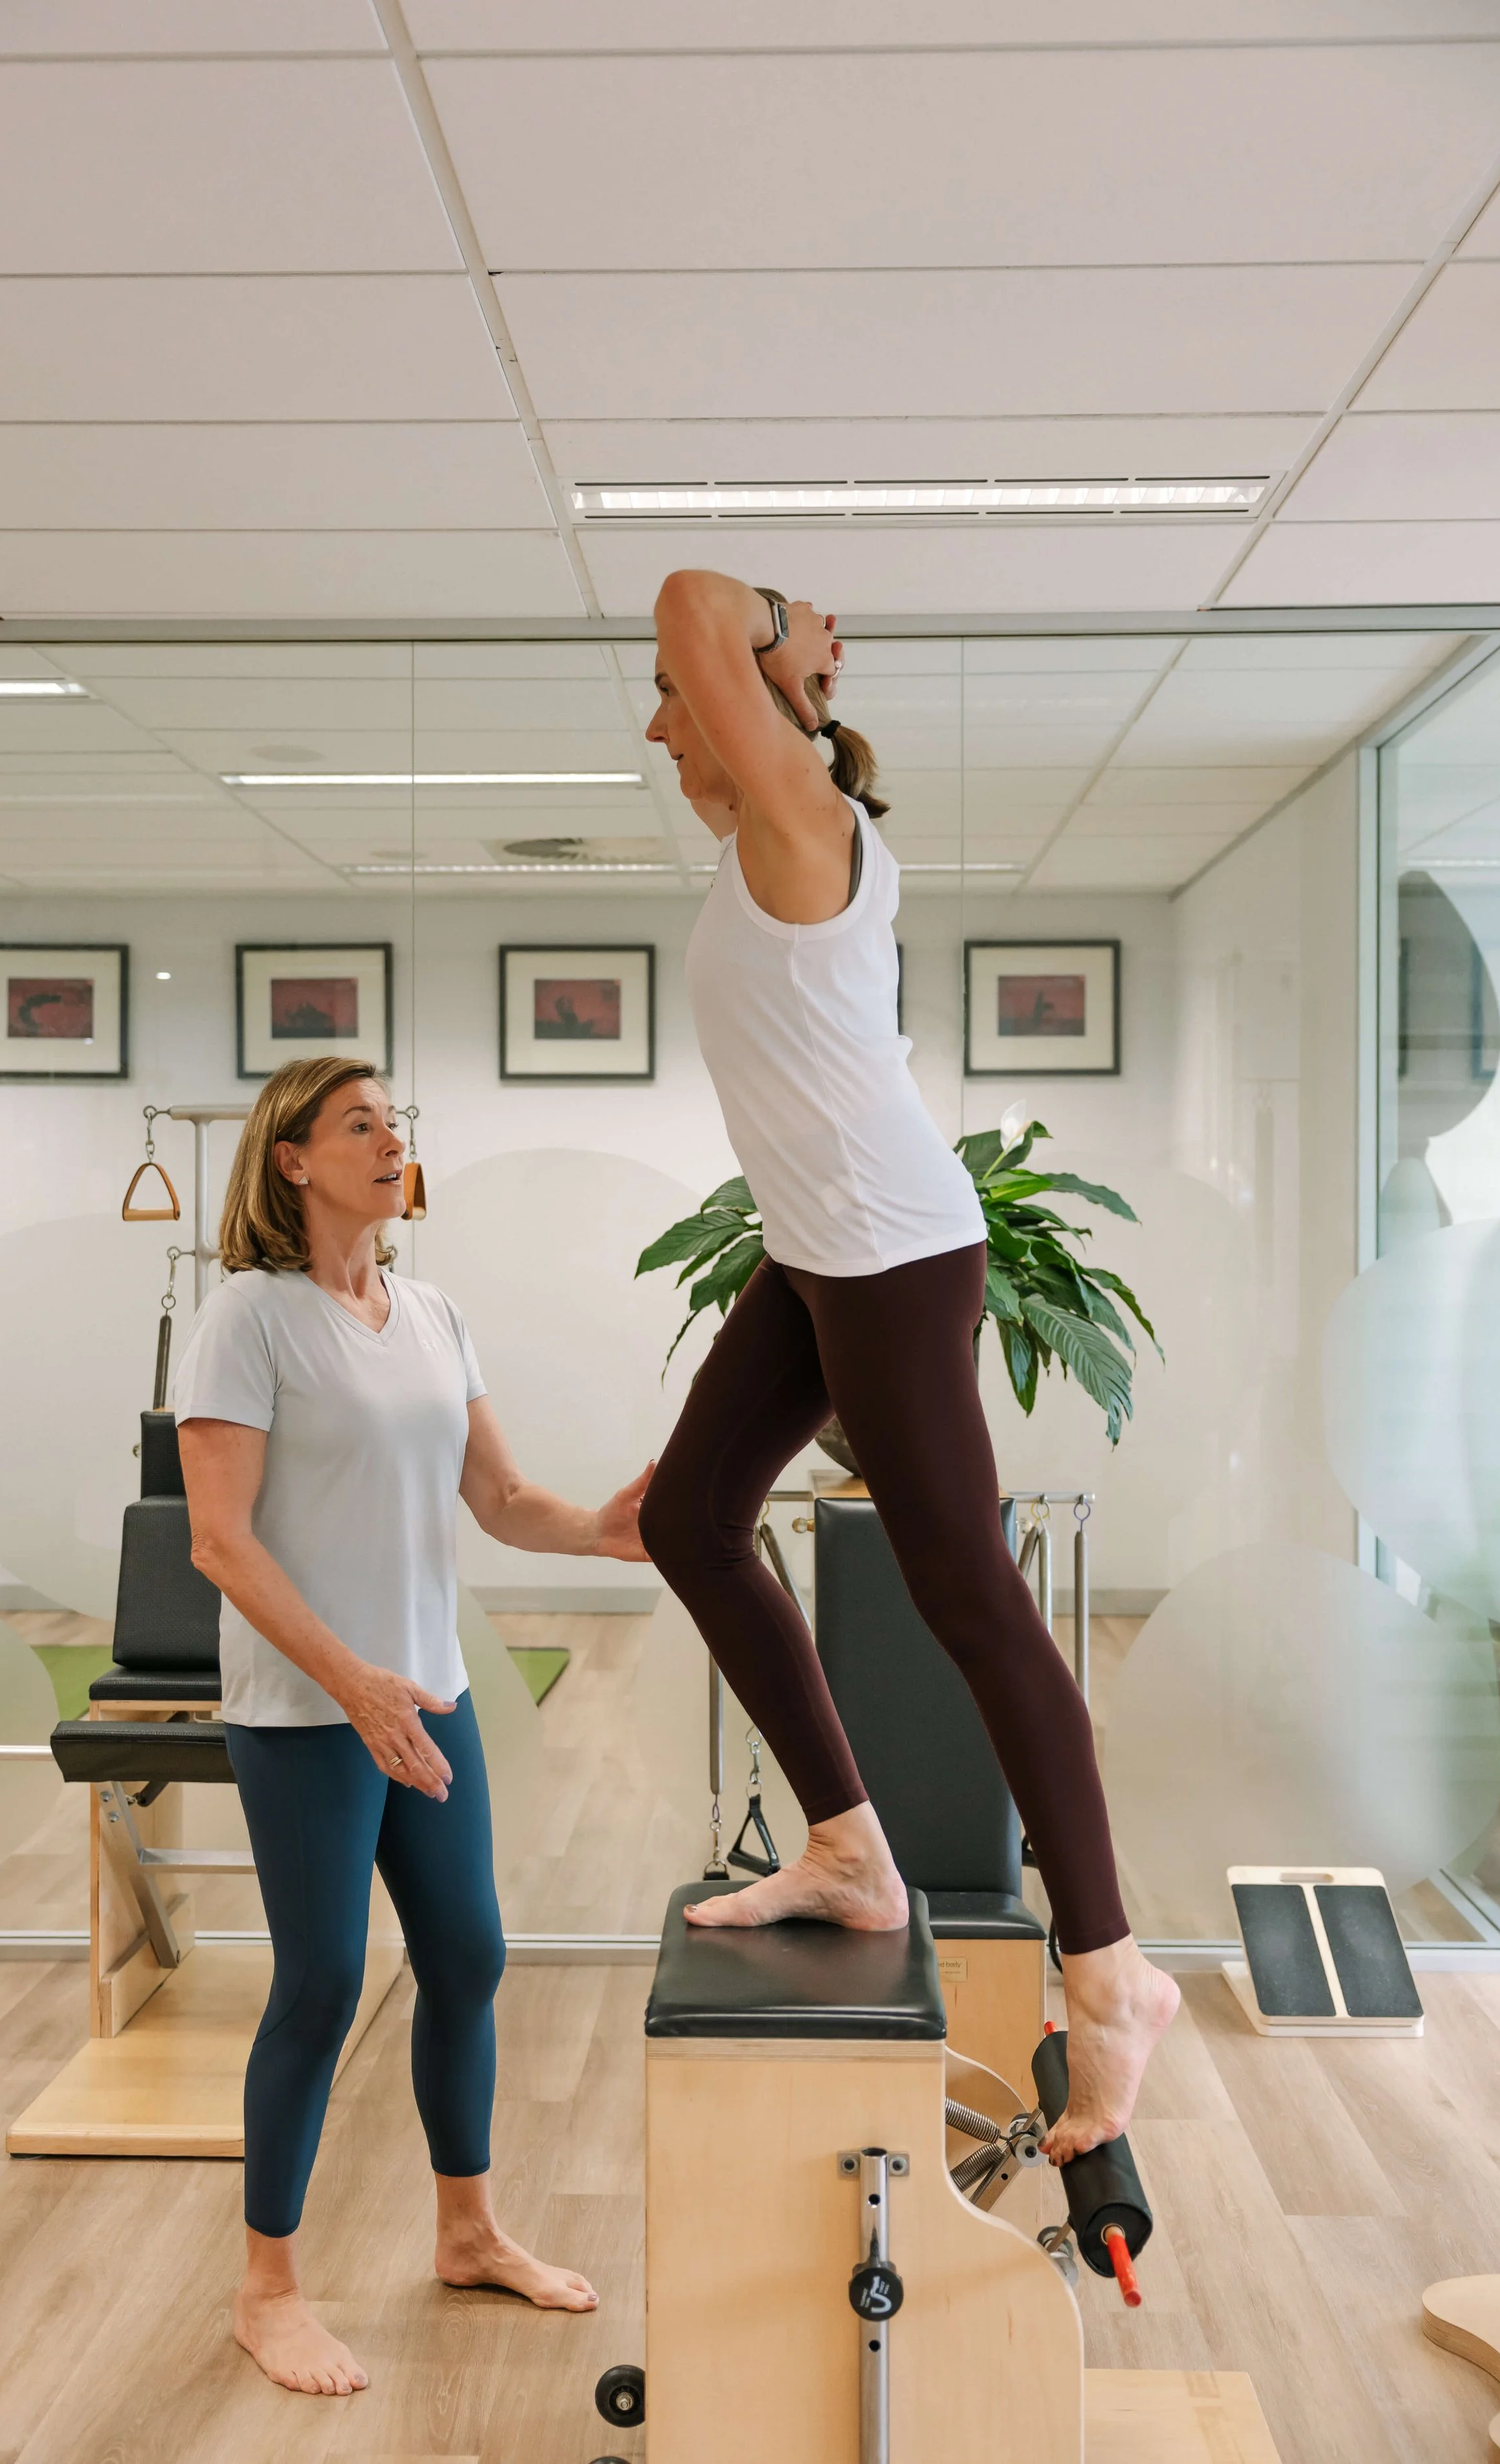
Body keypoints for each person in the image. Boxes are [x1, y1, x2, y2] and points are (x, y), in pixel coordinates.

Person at [637, 570, 1177, 2162]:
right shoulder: (772, 838)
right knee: (686, 1522)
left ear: (765, 707)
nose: (662, 721)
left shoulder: (799, 810)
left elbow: (685, 596)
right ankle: (850, 1850)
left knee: (965, 1592)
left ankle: (1109, 1966)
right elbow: (688, 634)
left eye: (680, 700)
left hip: (883, 1247)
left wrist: (786, 634)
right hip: (823, 1250)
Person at [173, 1055, 652, 2398]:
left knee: (467, 1957)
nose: (390, 1141)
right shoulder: (245, 1319)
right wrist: (351, 1682)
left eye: (397, 1124)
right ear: (292, 1159)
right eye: (359, 1123)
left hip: (426, 1696)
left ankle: (466, 2230)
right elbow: (219, 1541)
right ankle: (265, 2292)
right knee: (321, 1985)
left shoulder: (432, 1313)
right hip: (306, 1715)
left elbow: (499, 1501)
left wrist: (605, 1533)